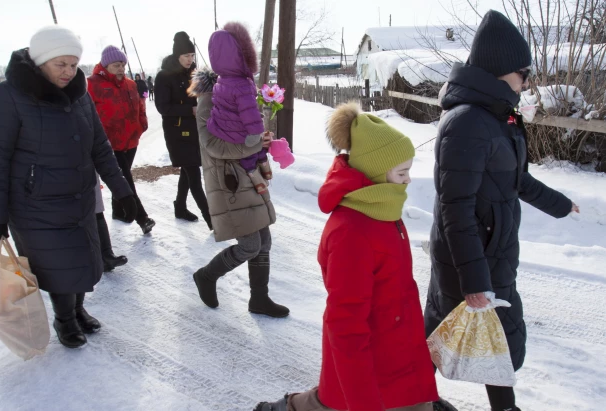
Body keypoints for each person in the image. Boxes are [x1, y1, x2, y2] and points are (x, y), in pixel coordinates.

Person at [424, 11, 580, 411]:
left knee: (492, 340)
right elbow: (454, 210)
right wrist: (475, 281)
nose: (527, 81)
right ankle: (417, 397)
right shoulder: (467, 122)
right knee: (446, 335)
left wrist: (560, 205)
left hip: (493, 254)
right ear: (498, 71)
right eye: (522, 72)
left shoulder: (498, 116)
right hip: (470, 259)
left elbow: (517, 179)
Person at [255, 102, 438, 411]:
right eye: (402, 172)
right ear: (377, 173)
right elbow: (346, 326)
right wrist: (364, 404)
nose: (408, 181)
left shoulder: (383, 208)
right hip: (368, 364)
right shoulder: (351, 232)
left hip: (395, 352)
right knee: (329, 403)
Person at [0, 26, 137, 348]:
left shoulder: (79, 94)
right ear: (41, 61)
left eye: (74, 64)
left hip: (80, 198)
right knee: (57, 266)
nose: (70, 72)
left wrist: (123, 191)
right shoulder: (7, 96)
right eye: (61, 65)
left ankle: (78, 310)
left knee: (83, 260)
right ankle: (65, 319)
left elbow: (100, 146)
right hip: (34, 205)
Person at [189, 67, 288, 318]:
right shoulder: (208, 102)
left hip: (248, 176)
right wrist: (255, 142)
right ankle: (206, 275)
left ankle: (259, 299)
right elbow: (215, 147)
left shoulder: (234, 98)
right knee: (250, 245)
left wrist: (261, 139)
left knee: (264, 242)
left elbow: (245, 135)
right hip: (228, 183)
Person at [88, 46, 155, 235]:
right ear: (105, 65)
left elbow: (140, 107)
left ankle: (118, 212)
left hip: (130, 141)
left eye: (123, 65)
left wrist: (142, 124)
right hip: (108, 144)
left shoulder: (131, 84)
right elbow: (86, 113)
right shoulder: (92, 84)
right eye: (116, 65)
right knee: (126, 181)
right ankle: (142, 219)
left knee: (122, 178)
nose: (121, 68)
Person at [155, 32, 211, 229]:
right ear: (177, 55)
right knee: (194, 175)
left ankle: (179, 207)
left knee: (188, 170)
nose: (190, 59)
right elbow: (162, 107)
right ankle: (212, 221)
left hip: (194, 129)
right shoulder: (164, 76)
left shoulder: (194, 74)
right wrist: (190, 110)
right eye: (186, 56)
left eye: (192, 55)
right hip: (177, 133)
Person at [206, 22, 271, 194]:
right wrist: (256, 132)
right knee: (255, 150)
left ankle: (254, 173)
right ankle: (263, 166)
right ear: (240, 55)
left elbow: (222, 107)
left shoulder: (220, 81)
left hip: (225, 131)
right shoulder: (242, 84)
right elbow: (249, 113)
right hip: (241, 134)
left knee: (247, 158)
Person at [94, 175, 128, 272]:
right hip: (59, 177)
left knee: (97, 211)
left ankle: (106, 255)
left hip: (87, 172)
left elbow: (105, 162)